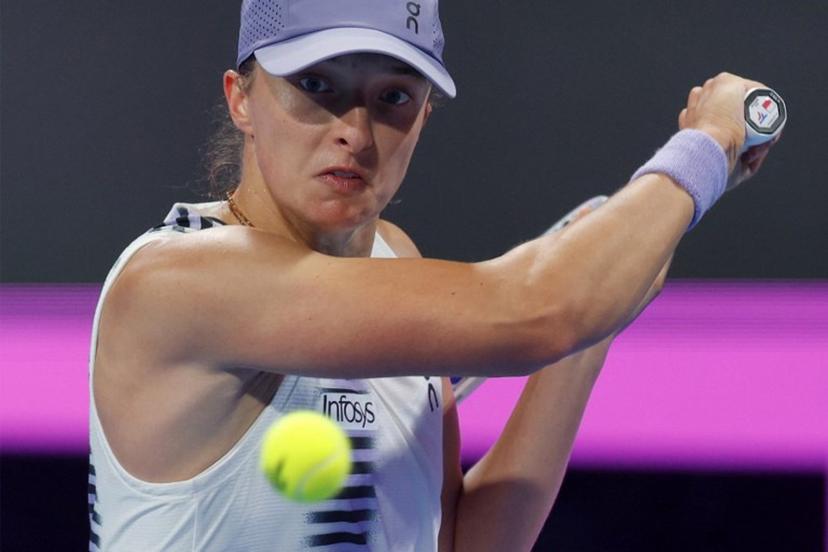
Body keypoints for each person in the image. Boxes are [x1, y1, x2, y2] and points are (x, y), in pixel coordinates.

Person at [87, 0, 779, 550]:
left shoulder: (395, 259)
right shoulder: (179, 281)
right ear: (241, 98)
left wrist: (591, 331)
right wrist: (707, 147)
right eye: (317, 85)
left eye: (393, 97)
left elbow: (459, 542)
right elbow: (541, 305)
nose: (355, 131)